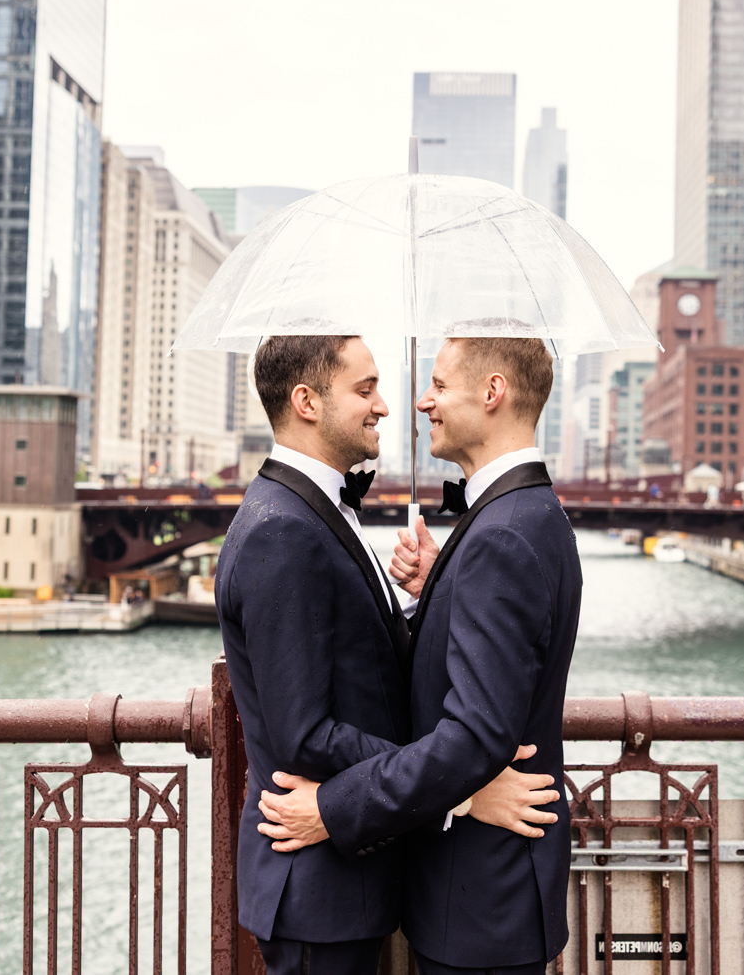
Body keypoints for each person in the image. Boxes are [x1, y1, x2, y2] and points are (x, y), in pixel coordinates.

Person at [216, 334, 550, 975]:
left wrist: (436, 598)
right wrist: (462, 792)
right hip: (318, 888)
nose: (386, 407)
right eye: (364, 390)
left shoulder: (305, 512)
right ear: (307, 401)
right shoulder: (283, 530)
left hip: (343, 882)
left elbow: (360, 659)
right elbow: (303, 735)